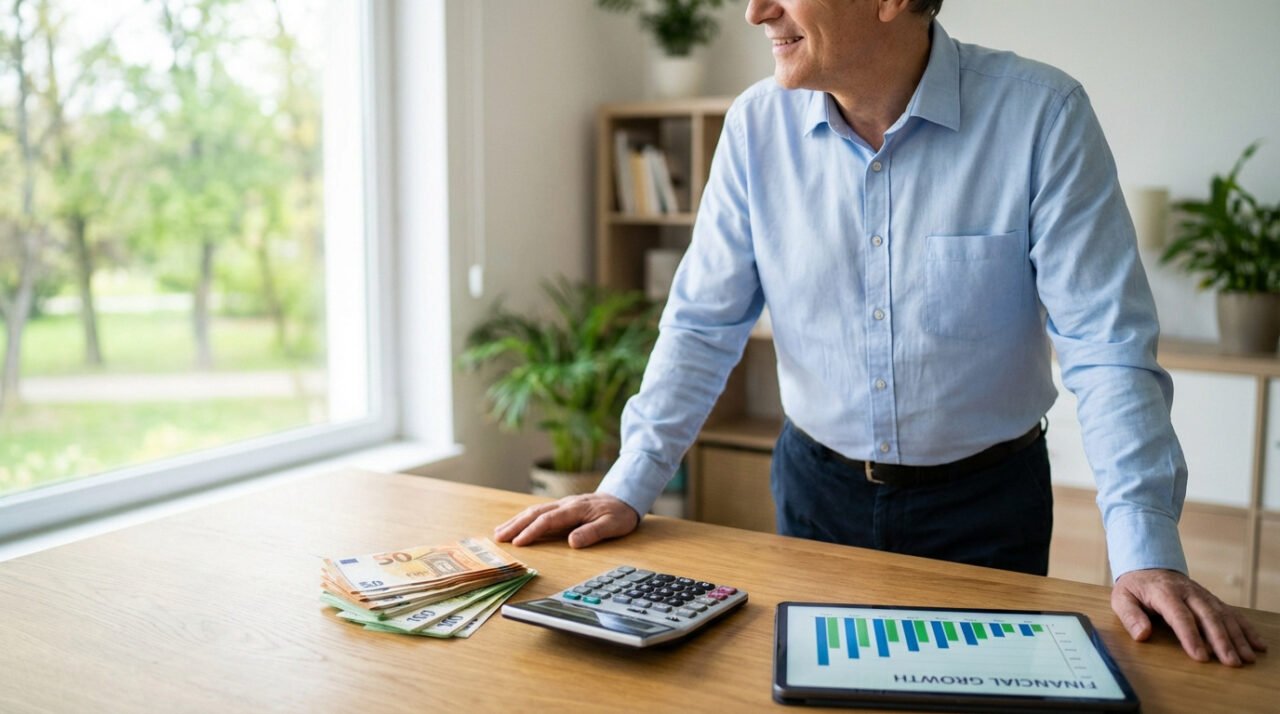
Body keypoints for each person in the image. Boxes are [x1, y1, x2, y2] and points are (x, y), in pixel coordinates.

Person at [495, 0, 1267, 667]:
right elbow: (702, 324)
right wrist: (630, 483)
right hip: (813, 497)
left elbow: (1106, 349)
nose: (755, 11)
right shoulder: (755, 127)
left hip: (988, 507)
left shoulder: (1042, 116)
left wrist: (1144, 554)